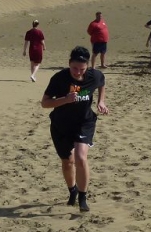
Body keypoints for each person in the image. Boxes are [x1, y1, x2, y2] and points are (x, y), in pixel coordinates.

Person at [41, 46, 109, 212]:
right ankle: (72, 190)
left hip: (84, 122)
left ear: (87, 67)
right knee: (67, 162)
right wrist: (65, 99)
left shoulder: (94, 75)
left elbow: (102, 83)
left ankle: (83, 197)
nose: (78, 73)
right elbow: (45, 103)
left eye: (82, 69)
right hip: (61, 124)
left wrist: (101, 101)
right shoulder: (59, 78)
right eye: (74, 69)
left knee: (80, 157)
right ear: (69, 64)